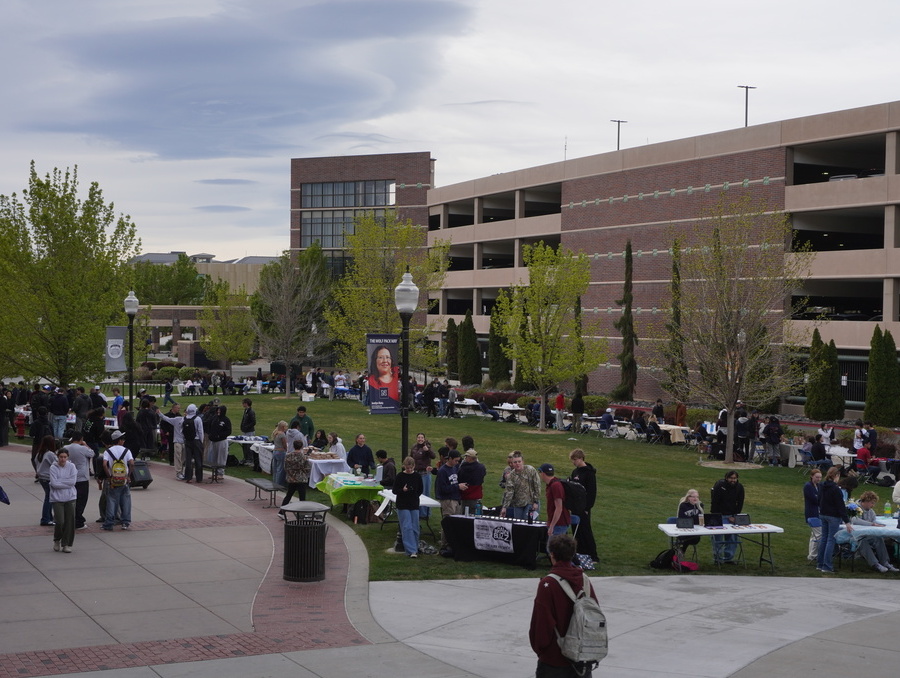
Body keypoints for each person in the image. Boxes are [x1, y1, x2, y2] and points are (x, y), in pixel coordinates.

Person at [529, 534, 599, 678]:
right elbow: (595, 614)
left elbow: (541, 625)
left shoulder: (548, 585)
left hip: (554, 660)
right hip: (582, 658)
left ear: (552, 555)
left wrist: (542, 651)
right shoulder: (584, 580)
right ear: (573, 554)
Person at [848, 490, 898, 573]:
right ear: (866, 501)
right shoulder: (854, 508)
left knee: (878, 539)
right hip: (854, 535)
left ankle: (885, 562)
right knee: (862, 541)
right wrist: (872, 524)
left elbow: (874, 520)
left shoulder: (871, 511)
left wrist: (883, 525)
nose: (873, 505)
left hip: (867, 534)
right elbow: (855, 520)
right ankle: (875, 564)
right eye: (872, 503)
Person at [817, 465, 853, 573]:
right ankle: (827, 566)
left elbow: (819, 499)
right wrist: (847, 521)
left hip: (823, 514)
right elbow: (840, 506)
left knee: (824, 539)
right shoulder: (835, 489)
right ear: (836, 476)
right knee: (831, 540)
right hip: (833, 516)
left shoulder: (822, 485)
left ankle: (820, 563)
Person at [569, 448, 598, 562]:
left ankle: (593, 555)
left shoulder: (589, 473)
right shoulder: (575, 472)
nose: (573, 462)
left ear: (581, 458)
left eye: (575, 459)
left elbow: (592, 492)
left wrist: (587, 508)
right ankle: (579, 552)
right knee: (576, 529)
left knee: (585, 531)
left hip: (584, 507)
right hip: (575, 506)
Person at [710, 470, 744, 564]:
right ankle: (718, 558)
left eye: (735, 478)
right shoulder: (719, 486)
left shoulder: (739, 487)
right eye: (731, 478)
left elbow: (740, 503)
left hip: (731, 517)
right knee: (718, 538)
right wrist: (716, 516)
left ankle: (728, 558)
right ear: (726, 478)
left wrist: (735, 516)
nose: (733, 480)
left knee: (732, 538)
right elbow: (715, 502)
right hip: (719, 515)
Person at [102, 431, 134, 530]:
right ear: (119, 440)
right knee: (126, 501)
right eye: (122, 439)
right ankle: (125, 522)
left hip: (114, 480)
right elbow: (132, 463)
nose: (124, 441)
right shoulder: (127, 451)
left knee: (111, 501)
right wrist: (129, 476)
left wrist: (109, 476)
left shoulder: (108, 451)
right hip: (124, 479)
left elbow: (104, 464)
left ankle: (109, 523)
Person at [62, 431, 94, 530]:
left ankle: (68, 518)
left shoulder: (65, 448)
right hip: (82, 477)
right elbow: (92, 453)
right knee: (81, 500)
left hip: (69, 477)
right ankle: (78, 520)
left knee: (70, 499)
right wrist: (85, 444)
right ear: (81, 439)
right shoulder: (83, 449)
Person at [49, 448, 78, 552]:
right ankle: (57, 539)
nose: (63, 459)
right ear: (58, 457)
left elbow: (72, 482)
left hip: (70, 497)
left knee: (70, 521)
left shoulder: (72, 466)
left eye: (65, 457)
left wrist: (61, 481)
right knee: (60, 521)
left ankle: (67, 544)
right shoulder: (53, 467)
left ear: (68, 457)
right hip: (57, 498)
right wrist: (66, 482)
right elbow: (54, 484)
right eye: (61, 457)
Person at [394, 456, 423, 558]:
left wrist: (413, 494)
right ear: (404, 466)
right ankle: (410, 550)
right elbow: (395, 490)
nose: (409, 470)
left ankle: (415, 547)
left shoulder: (417, 476)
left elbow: (420, 490)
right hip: (403, 504)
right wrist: (403, 490)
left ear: (414, 466)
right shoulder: (400, 476)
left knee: (415, 527)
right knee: (406, 527)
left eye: (411, 468)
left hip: (414, 503)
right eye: (407, 468)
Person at [500, 451, 541, 521]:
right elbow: (509, 492)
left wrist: (536, 502)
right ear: (512, 463)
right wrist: (504, 507)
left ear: (523, 462)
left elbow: (537, 486)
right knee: (518, 523)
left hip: (530, 502)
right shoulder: (511, 475)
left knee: (529, 522)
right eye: (515, 462)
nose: (517, 464)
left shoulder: (530, 470)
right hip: (518, 504)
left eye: (519, 461)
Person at [435, 450, 462, 553]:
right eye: (455, 460)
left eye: (458, 461)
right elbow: (442, 489)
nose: (457, 462)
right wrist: (457, 487)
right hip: (447, 500)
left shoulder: (455, 468)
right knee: (447, 522)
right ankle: (444, 544)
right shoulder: (443, 471)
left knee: (455, 522)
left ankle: (452, 542)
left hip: (455, 498)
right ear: (449, 459)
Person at [279, 440, 312, 518]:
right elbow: (307, 468)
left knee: (288, 495)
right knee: (302, 497)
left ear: (293, 446)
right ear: (301, 447)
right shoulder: (304, 457)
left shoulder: (288, 456)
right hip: (301, 479)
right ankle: (302, 514)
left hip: (291, 478)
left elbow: (285, 467)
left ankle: (281, 512)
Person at [539, 464, 570, 541]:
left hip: (559, 524)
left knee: (554, 549)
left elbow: (559, 508)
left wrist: (552, 526)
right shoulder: (552, 484)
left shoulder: (555, 486)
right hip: (556, 523)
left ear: (542, 473)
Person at [410, 433, 436, 516]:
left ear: (424, 439)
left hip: (424, 473)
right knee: (416, 492)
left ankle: (425, 513)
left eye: (422, 438)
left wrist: (427, 450)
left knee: (425, 493)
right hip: (416, 473)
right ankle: (417, 511)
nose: (420, 439)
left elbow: (433, 456)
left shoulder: (427, 447)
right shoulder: (414, 447)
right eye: (418, 437)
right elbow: (411, 457)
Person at [35, 435, 58, 526]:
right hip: (48, 478)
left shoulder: (40, 453)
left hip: (42, 477)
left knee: (49, 497)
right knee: (49, 498)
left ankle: (49, 517)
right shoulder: (50, 454)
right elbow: (57, 463)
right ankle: (45, 518)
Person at [458, 449, 486, 516]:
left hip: (465, 496)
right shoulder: (481, 468)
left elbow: (459, 479)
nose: (465, 458)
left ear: (469, 458)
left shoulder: (463, 468)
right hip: (477, 496)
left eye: (466, 456)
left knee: (465, 516)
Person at [207, 405, 231, 480]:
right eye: (218, 410)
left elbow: (229, 431)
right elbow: (209, 426)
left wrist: (219, 435)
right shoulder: (214, 418)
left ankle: (220, 473)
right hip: (213, 441)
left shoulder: (226, 420)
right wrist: (210, 434)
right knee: (214, 457)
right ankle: (214, 472)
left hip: (221, 441)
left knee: (221, 457)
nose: (218, 412)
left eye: (220, 411)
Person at [182, 404, 205, 484]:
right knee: (198, 460)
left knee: (188, 460)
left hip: (187, 441)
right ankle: (199, 478)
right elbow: (200, 431)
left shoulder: (184, 419)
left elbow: (182, 431)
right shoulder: (198, 419)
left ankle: (188, 477)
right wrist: (201, 442)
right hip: (196, 440)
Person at [803, 469, 823, 562]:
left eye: (820, 477)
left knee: (814, 535)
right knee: (818, 535)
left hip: (819, 512)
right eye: (817, 477)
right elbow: (814, 499)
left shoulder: (819, 486)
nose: (818, 479)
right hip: (812, 513)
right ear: (812, 476)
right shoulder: (808, 486)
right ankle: (813, 555)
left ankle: (812, 554)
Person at [239, 398, 257, 467]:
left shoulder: (251, 412)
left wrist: (246, 427)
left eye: (243, 403)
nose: (242, 404)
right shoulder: (246, 411)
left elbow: (253, 422)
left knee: (249, 445)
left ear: (246, 403)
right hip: (245, 431)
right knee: (245, 445)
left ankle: (250, 459)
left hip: (249, 431)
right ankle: (246, 458)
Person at [271, 421, 288, 487]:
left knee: (275, 468)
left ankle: (274, 481)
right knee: (280, 469)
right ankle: (278, 484)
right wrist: (286, 449)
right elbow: (284, 444)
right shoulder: (282, 434)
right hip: (281, 451)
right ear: (283, 427)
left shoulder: (275, 433)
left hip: (275, 451)